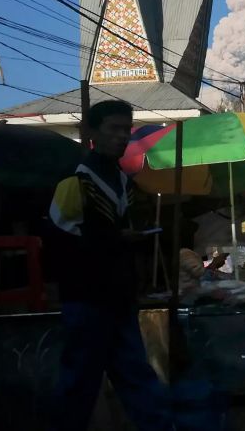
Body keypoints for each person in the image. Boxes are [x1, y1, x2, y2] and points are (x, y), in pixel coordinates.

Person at [48, 100, 170, 431]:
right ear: (92, 133)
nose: (121, 136)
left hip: (118, 295)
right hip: (86, 297)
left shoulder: (123, 180)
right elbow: (61, 242)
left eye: (125, 129)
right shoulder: (75, 181)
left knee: (134, 374)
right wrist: (115, 240)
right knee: (80, 381)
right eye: (113, 129)